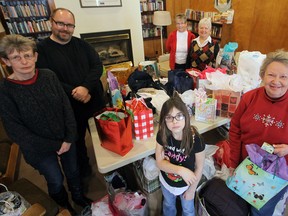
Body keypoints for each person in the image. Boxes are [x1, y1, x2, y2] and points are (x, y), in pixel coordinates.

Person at [0, 35, 92, 214]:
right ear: (6, 61)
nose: (24, 61)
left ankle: (78, 197)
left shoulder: (48, 76)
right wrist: (58, 145)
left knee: (73, 171)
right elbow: (16, 132)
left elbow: (67, 108)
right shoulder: (5, 91)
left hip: (65, 137)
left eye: (27, 55)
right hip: (38, 148)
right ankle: (64, 207)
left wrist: (69, 137)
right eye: (16, 57)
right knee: (55, 179)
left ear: (35, 56)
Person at [36, 8, 105, 177]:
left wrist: (85, 88)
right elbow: (47, 79)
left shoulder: (82, 44)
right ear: (51, 22)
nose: (65, 28)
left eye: (69, 25)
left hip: (94, 101)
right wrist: (77, 92)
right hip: (70, 108)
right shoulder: (41, 49)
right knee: (77, 142)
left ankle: (112, 168)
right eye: (60, 23)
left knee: (104, 136)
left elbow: (97, 66)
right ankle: (84, 171)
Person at [229, 49, 288, 216]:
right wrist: (233, 163)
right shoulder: (249, 98)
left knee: (260, 211)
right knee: (239, 204)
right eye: (271, 75)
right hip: (245, 167)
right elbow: (234, 131)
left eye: (284, 76)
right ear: (262, 76)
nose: (276, 81)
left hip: (275, 176)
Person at [155, 92, 205, 216]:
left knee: (188, 209)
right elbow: (160, 163)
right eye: (169, 117)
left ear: (186, 116)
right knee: (168, 205)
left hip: (187, 186)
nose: (174, 121)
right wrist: (181, 170)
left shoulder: (196, 139)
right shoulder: (163, 135)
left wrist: (192, 190)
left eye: (179, 116)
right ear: (164, 120)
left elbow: (199, 167)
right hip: (166, 183)